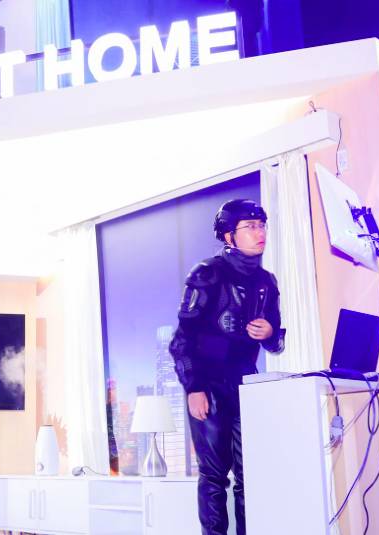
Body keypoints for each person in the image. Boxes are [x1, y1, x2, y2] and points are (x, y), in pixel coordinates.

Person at [169, 198, 285, 535]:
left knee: (251, 477)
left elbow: (276, 344)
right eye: (250, 226)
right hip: (208, 386)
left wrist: (270, 333)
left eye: (262, 225)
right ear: (229, 235)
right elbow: (181, 340)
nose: (260, 232)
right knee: (214, 476)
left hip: (247, 387)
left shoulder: (266, 282)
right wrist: (194, 388)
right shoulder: (206, 274)